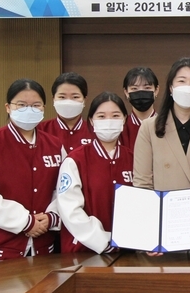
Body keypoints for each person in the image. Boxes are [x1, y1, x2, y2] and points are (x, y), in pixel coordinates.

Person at [133, 57, 190, 253]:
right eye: (182, 81)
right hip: (163, 227)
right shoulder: (149, 128)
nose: (188, 87)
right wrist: (149, 231)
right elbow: (142, 183)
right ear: (171, 87)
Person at [0, 79, 64, 263]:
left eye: (36, 105)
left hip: (42, 247)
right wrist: (25, 221)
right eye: (21, 105)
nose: (29, 110)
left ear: (43, 108)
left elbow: (63, 190)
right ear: (8, 107)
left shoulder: (55, 145)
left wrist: (51, 217)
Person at [54, 92, 133, 254]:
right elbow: (70, 209)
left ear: (124, 119)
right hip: (84, 251)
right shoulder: (75, 160)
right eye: (101, 116)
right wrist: (102, 241)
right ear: (91, 120)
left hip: (127, 250)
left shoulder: (133, 159)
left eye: (115, 116)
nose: (108, 121)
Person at [37, 72, 94, 153]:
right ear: (53, 99)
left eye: (75, 97)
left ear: (85, 100)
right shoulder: (40, 130)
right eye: (62, 97)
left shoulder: (95, 130)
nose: (68, 102)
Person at [121, 67, 159, 151]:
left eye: (147, 88)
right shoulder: (121, 127)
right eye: (134, 88)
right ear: (126, 92)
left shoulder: (167, 124)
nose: (141, 92)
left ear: (156, 90)